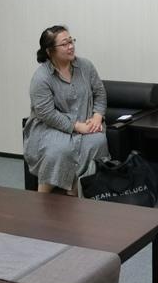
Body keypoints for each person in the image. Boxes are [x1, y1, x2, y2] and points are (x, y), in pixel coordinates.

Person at [23, 25, 110, 195]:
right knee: (59, 150)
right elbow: (47, 114)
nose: (71, 46)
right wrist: (76, 126)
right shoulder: (41, 78)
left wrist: (97, 116)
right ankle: (42, 198)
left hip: (86, 121)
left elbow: (100, 93)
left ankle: (77, 190)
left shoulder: (86, 66)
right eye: (64, 44)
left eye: (71, 41)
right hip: (51, 127)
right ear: (49, 51)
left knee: (97, 141)